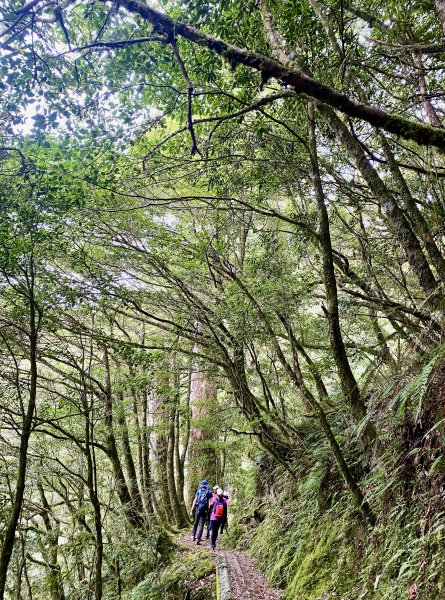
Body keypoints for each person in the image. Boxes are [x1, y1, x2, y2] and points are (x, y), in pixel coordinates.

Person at [190, 480, 212, 545]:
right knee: (201, 525)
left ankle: (193, 536)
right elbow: (210, 503)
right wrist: (209, 510)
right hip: (205, 511)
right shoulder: (209, 492)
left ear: (201, 486)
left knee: (196, 522)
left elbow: (195, 500)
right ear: (207, 486)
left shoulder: (198, 491)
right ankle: (198, 539)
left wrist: (191, 510)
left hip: (198, 509)